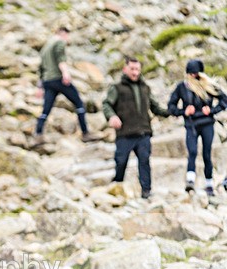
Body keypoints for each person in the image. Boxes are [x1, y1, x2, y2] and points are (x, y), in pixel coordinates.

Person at [102, 57, 170, 199]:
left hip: (143, 131)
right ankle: (117, 187)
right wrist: (112, 117)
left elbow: (155, 107)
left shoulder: (145, 88)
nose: (135, 72)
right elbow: (107, 104)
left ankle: (146, 191)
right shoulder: (117, 88)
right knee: (121, 162)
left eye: (137, 69)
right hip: (125, 133)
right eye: (132, 69)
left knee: (144, 161)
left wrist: (171, 112)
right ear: (125, 69)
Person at [168, 59, 227, 196]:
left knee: (207, 153)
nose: (194, 76)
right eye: (192, 74)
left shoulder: (208, 85)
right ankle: (190, 181)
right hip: (191, 124)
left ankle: (209, 184)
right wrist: (183, 111)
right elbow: (171, 106)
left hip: (207, 123)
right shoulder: (182, 87)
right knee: (192, 152)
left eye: (196, 73)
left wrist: (212, 111)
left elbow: (224, 100)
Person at [34, 26, 96, 145]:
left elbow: (41, 68)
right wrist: (66, 74)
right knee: (79, 103)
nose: (68, 39)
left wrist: (40, 86)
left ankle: (38, 134)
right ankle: (85, 133)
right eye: (67, 36)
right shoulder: (59, 42)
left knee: (46, 109)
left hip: (47, 81)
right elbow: (60, 59)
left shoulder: (46, 46)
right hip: (58, 79)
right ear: (63, 34)